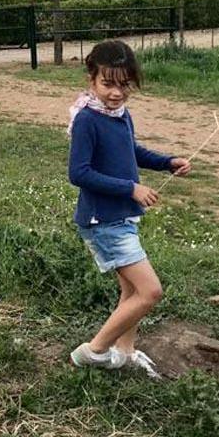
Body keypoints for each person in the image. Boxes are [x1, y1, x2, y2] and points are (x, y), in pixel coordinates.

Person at [67, 40, 191, 379]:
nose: (117, 93)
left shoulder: (120, 116)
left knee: (132, 291)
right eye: (108, 83)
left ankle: (124, 352)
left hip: (121, 217)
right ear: (90, 78)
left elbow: (130, 151)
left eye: (124, 85)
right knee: (150, 291)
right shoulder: (87, 121)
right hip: (103, 221)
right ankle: (92, 352)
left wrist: (167, 163)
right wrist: (131, 188)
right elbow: (79, 173)